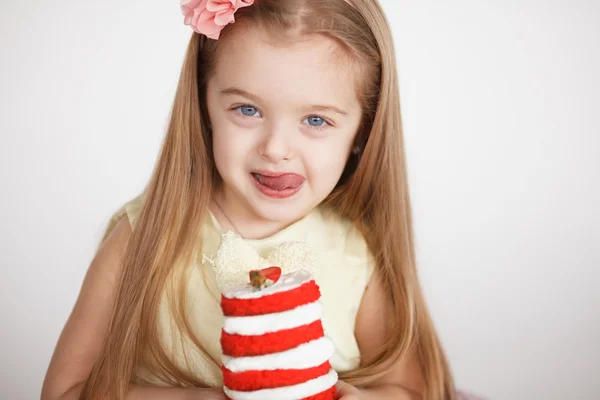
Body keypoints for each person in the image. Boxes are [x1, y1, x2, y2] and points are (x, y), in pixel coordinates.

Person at [42, 0, 455, 399]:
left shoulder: (356, 254)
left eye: (316, 120)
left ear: (363, 130)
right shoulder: (142, 239)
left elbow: (410, 389)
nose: (276, 148)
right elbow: (65, 391)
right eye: (247, 110)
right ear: (204, 106)